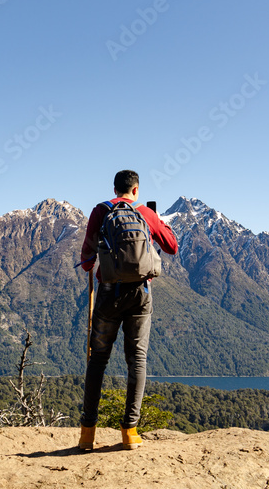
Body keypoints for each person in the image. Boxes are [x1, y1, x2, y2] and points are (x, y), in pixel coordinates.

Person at [77, 169, 178, 451]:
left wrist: (95, 260)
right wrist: (161, 223)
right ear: (136, 190)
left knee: (98, 360)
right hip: (140, 296)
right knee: (137, 360)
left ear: (115, 188)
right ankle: (130, 431)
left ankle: (87, 433)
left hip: (108, 294)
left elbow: (86, 260)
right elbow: (172, 246)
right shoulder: (145, 213)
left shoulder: (101, 211)